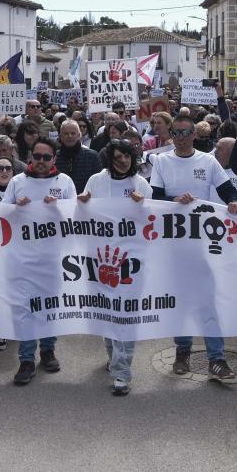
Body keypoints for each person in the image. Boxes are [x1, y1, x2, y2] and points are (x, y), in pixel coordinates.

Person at [149, 114, 237, 381]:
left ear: (194, 134)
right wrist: (174, 199)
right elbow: (155, 197)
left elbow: (228, 190)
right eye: (175, 133)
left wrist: (235, 202)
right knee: (181, 300)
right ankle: (183, 352)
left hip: (204, 243)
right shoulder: (162, 161)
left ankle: (217, 358)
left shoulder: (208, 161)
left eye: (184, 133)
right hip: (174, 243)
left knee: (208, 301)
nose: (179, 138)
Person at [4, 138, 78, 385]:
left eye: (47, 157)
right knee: (25, 308)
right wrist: (15, 207)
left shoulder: (64, 182)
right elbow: (1, 216)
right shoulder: (17, 182)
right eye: (37, 156)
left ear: (54, 159)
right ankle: (26, 359)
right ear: (30, 157)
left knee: (49, 306)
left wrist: (58, 209)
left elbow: (76, 217)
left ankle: (48, 350)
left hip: (53, 258)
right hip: (22, 258)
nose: (42, 161)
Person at [78, 140, 149, 394]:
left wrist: (143, 206)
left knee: (125, 316)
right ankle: (114, 358)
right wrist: (82, 202)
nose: (123, 161)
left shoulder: (141, 184)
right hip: (102, 259)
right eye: (118, 157)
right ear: (110, 159)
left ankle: (121, 373)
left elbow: (152, 222)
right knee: (108, 313)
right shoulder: (96, 181)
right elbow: (82, 217)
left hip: (131, 262)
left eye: (127, 156)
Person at [54, 120, 101, 193]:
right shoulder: (53, 158)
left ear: (79, 135)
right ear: (61, 137)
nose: (69, 136)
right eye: (66, 134)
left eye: (73, 133)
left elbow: (99, 183)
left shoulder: (93, 157)